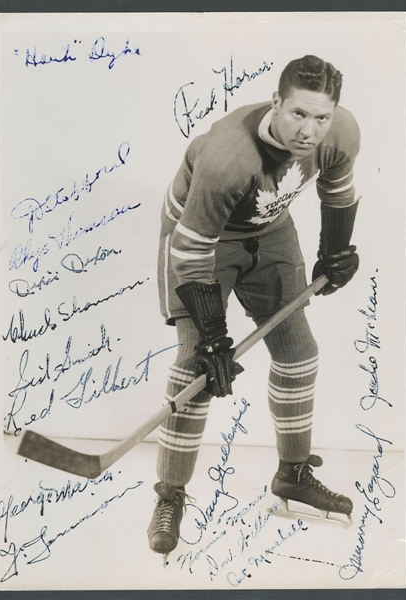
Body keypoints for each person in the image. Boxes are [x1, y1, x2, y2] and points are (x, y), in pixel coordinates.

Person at [148, 55, 360, 556]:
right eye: (298, 115)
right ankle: (170, 494)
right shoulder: (228, 156)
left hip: (270, 231)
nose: (309, 131)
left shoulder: (340, 132)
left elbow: (338, 192)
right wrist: (215, 338)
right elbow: (190, 249)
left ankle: (292, 474)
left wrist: (335, 251)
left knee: (299, 354)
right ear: (275, 104)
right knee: (196, 369)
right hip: (201, 242)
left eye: (321, 117)